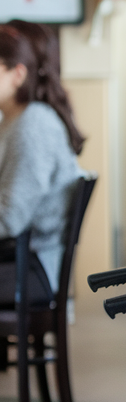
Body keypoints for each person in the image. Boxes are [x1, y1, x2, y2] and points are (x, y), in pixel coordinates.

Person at [0, 21, 85, 293]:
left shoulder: (32, 125)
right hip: (18, 261)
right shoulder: (13, 121)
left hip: (30, 271)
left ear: (18, 73)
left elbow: (9, 219)